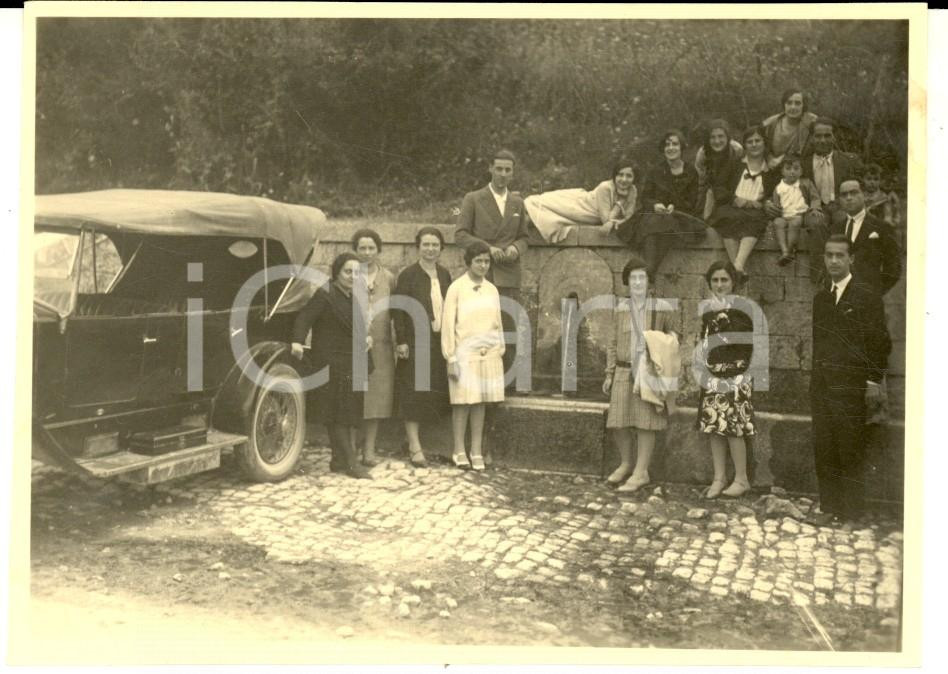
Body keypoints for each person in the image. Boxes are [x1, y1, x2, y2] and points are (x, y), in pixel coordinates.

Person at [809, 235, 891, 525]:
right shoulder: (821, 298)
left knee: (850, 447)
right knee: (825, 446)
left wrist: (872, 381)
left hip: (852, 386)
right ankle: (829, 507)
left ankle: (853, 512)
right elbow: (819, 343)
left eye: (839, 256)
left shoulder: (866, 297)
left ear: (851, 259)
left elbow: (880, 342)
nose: (833, 261)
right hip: (823, 386)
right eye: (829, 255)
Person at [291, 252, 373, 480]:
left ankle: (338, 460)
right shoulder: (325, 294)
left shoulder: (351, 296)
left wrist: (366, 339)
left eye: (357, 272)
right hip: (330, 362)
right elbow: (304, 318)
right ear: (337, 272)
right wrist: (297, 341)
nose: (352, 276)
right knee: (336, 414)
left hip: (349, 362)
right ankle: (351, 463)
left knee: (344, 413)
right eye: (348, 271)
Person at [603, 255, 681, 493]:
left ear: (649, 282)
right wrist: (609, 373)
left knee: (646, 422)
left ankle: (641, 471)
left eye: (642, 277)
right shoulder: (621, 309)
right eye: (633, 278)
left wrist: (653, 342)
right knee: (619, 421)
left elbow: (676, 340)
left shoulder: (662, 308)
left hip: (647, 373)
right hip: (623, 370)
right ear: (627, 281)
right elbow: (613, 342)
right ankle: (626, 463)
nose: (637, 282)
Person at [455, 149, 530, 389]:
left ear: (513, 173)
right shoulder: (474, 198)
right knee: (480, 326)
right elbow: (461, 234)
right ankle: (479, 381)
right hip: (482, 273)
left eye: (508, 170)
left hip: (509, 273)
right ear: (490, 168)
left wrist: (516, 249)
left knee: (508, 327)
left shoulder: (518, 202)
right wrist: (486, 248)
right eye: (499, 169)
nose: (503, 174)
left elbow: (525, 237)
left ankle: (509, 384)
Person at [441, 241, 505, 471]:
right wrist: (451, 358)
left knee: (480, 403)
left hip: (487, 354)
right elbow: (448, 324)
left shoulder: (492, 289)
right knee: (462, 403)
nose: (483, 265)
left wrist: (499, 349)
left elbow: (496, 321)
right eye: (478, 261)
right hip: (463, 355)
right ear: (468, 262)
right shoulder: (456, 288)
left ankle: (475, 450)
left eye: (486, 261)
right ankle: (458, 449)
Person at [694, 261, 755, 499]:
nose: (720, 285)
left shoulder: (743, 309)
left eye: (724, 280)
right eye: (715, 281)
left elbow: (742, 341)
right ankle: (719, 477)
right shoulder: (708, 310)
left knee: (734, 427)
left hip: (735, 375)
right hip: (713, 374)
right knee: (713, 425)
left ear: (733, 282)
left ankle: (741, 478)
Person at [393, 227, 453, 467]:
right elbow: (398, 310)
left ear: (441, 248)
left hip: (439, 342)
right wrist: (402, 341)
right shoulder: (408, 275)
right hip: (416, 343)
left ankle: (436, 444)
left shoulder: (445, 274)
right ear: (418, 247)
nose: (431, 249)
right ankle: (414, 445)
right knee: (414, 392)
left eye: (435, 245)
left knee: (435, 390)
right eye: (426, 245)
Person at [619, 129, 706, 280]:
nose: (671, 148)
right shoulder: (655, 171)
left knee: (667, 223)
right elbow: (645, 197)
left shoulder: (691, 171)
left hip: (680, 216)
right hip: (655, 215)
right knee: (654, 222)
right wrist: (655, 205)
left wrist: (675, 207)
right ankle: (649, 271)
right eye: (667, 145)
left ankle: (648, 270)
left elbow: (692, 202)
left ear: (681, 148)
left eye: (675, 144)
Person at [791, 117, 863, 284]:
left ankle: (847, 275)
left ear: (834, 137)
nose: (822, 140)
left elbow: (860, 186)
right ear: (812, 138)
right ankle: (820, 277)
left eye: (827, 135)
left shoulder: (847, 161)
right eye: (818, 136)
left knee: (844, 221)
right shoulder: (802, 163)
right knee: (816, 224)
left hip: (839, 206)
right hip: (815, 208)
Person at [707, 125, 779, 283]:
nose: (754, 144)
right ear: (744, 145)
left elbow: (775, 191)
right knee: (726, 217)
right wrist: (733, 199)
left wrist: (765, 202)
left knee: (756, 219)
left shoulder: (771, 169)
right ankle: (738, 268)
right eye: (749, 141)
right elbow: (718, 186)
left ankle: (736, 265)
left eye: (757, 141)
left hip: (756, 209)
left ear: (764, 143)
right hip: (733, 206)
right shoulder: (734, 163)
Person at [351, 228, 396, 467]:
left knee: (377, 397)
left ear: (378, 250)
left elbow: (396, 312)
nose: (367, 253)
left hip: (381, 346)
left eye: (371, 248)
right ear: (355, 250)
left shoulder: (388, 278)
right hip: (353, 345)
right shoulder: (348, 275)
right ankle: (351, 446)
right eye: (362, 248)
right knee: (354, 395)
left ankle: (369, 449)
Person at [524, 158, 639, 243]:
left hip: (587, 213)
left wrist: (618, 221)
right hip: (581, 206)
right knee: (538, 205)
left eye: (629, 176)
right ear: (614, 176)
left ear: (634, 178)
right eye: (620, 175)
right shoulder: (605, 187)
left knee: (541, 213)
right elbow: (606, 221)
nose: (624, 180)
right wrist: (621, 202)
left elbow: (629, 217)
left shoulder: (632, 190)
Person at [832, 179, 902, 297]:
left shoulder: (882, 228)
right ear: (840, 200)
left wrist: (876, 292)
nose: (849, 198)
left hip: (870, 300)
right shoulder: (835, 229)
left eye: (854, 193)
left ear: (864, 195)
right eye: (844, 195)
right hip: (840, 301)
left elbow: (893, 268)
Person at [771, 152, 820, 266]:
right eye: (788, 169)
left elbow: (815, 197)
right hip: (784, 215)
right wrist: (775, 212)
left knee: (795, 223)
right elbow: (776, 204)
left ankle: (790, 249)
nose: (792, 171)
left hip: (799, 214)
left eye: (796, 168)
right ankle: (784, 251)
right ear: (782, 171)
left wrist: (815, 208)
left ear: (801, 171)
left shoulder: (805, 183)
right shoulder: (778, 187)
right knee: (778, 223)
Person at [694, 119, 744, 220]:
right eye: (712, 137)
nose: (717, 141)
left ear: (728, 137)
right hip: (711, 188)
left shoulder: (736, 149)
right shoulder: (703, 153)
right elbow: (700, 181)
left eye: (721, 136)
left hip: (731, 187)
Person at [761, 88, 820, 166]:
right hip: (774, 169)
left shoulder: (812, 122)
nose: (793, 107)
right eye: (789, 103)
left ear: (803, 105)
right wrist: (770, 159)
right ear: (784, 104)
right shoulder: (771, 123)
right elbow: (760, 145)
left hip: (801, 169)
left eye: (797, 103)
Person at [862, 163, 902, 230]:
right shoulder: (861, 196)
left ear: (880, 181)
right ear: (863, 180)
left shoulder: (884, 197)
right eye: (869, 179)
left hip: (881, 227)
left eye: (876, 179)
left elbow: (888, 216)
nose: (872, 182)